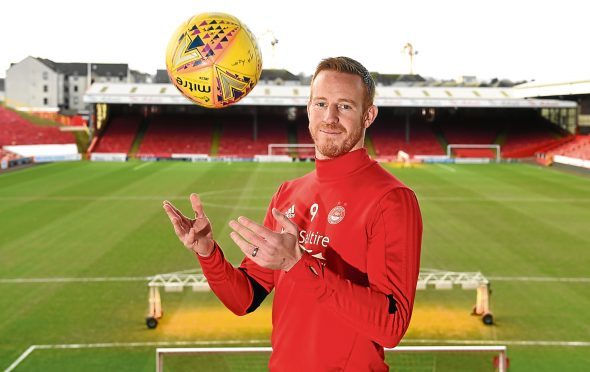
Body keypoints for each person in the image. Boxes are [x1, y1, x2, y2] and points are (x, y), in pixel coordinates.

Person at [163, 56, 423, 371]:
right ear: (308, 109)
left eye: (344, 106)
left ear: (369, 115)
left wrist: (297, 264)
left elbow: (391, 327)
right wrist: (207, 252)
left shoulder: (391, 199)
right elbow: (244, 298)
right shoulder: (289, 192)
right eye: (321, 104)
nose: (330, 117)